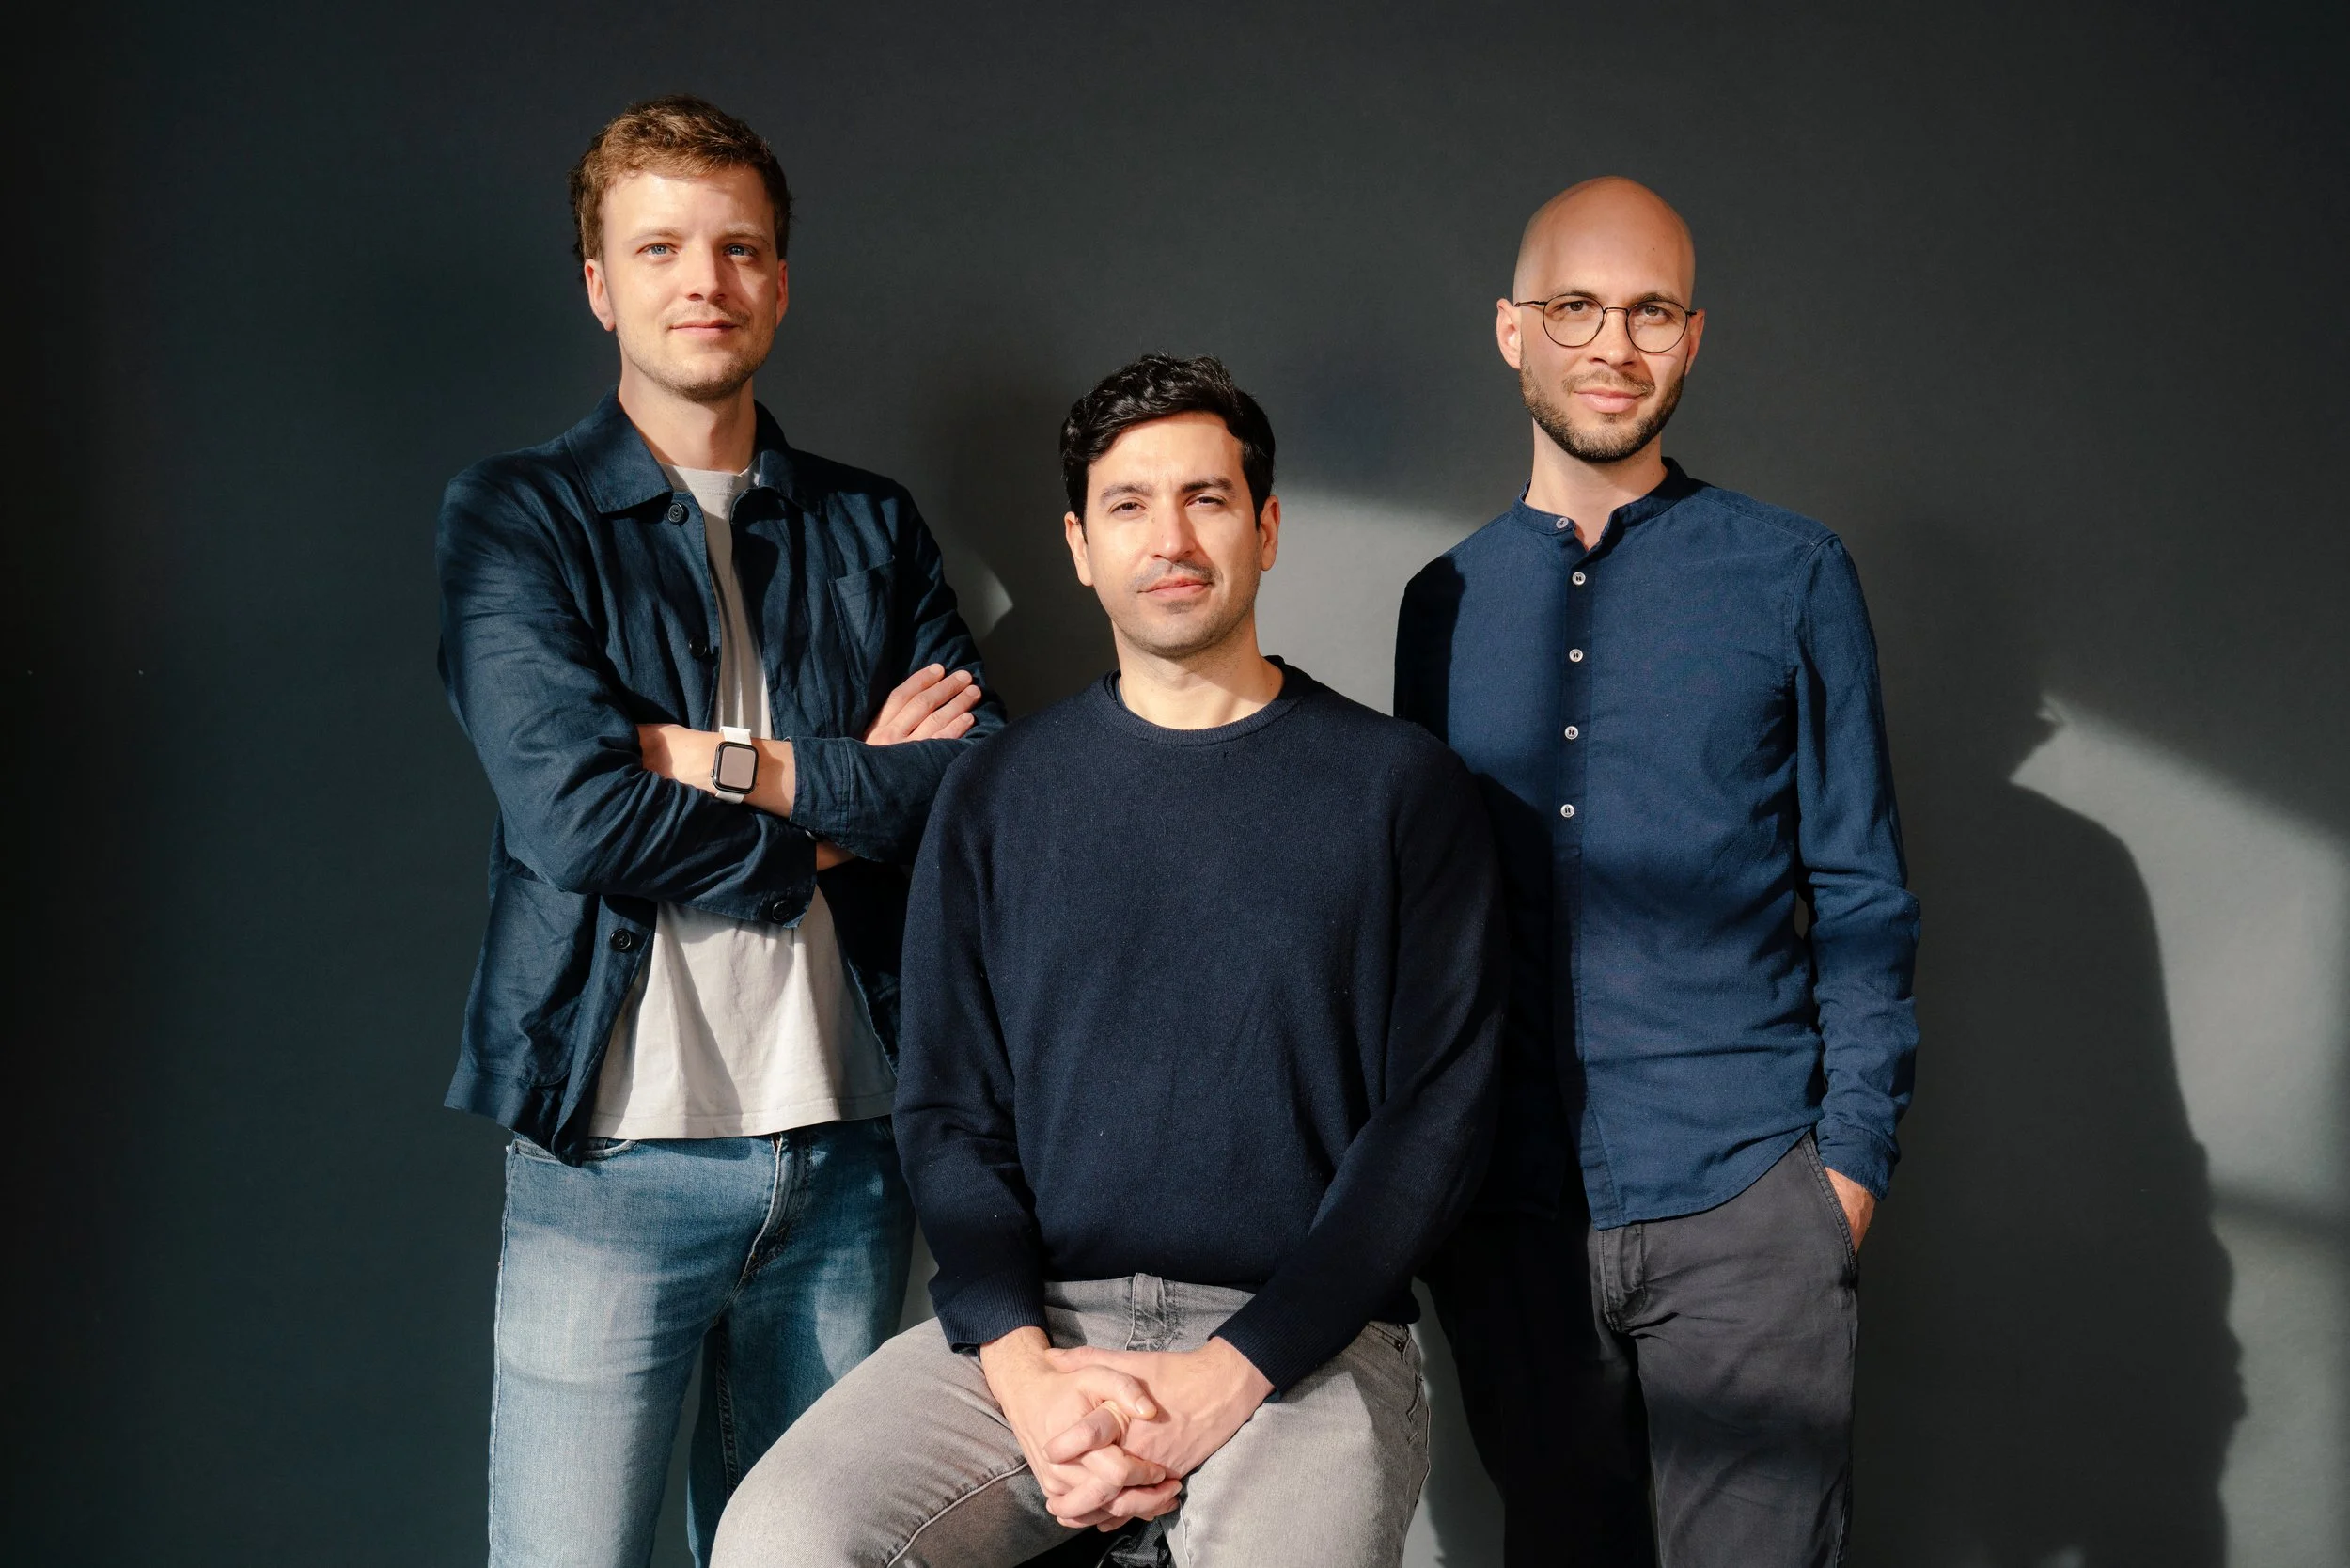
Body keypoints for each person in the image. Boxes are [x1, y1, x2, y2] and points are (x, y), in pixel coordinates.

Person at [710, 354, 1506, 1568]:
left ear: (1268, 527)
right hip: (1035, 1328)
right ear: (1079, 545)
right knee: (781, 1539)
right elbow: (948, 1112)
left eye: (1208, 498)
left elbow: (1431, 1128)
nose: (1170, 536)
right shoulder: (994, 793)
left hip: (1305, 1344)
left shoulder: (1402, 792)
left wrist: (1231, 1375)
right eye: (1130, 505)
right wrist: (1024, 1370)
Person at [435, 95, 1003, 1567]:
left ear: (782, 281)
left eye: (740, 248)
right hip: (610, 1165)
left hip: (847, 1152)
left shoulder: (870, 530)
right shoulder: (519, 517)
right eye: (663, 248)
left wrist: (721, 763)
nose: (706, 280)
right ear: (599, 283)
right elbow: (574, 814)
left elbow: (968, 786)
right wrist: (833, 809)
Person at [1396, 178, 1920, 1567]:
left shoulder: (1793, 574)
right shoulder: (1439, 602)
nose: (1612, 345)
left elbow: (1862, 890)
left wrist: (1845, 1171)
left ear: (1696, 338)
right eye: (1576, 307)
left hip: (1750, 1202)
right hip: (1512, 1222)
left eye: (1650, 312)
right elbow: (1429, 912)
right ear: (1513, 330)